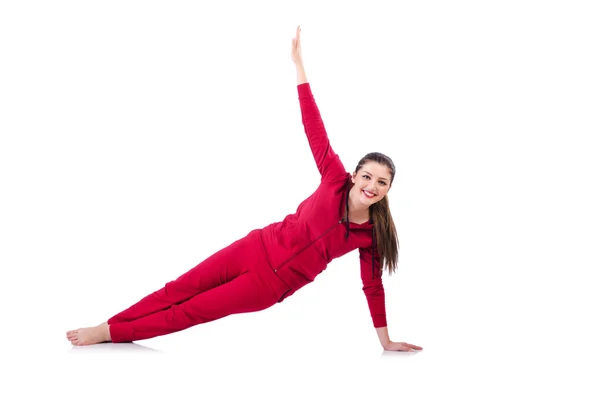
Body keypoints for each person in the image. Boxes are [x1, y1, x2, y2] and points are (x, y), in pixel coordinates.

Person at [66, 26, 422, 352]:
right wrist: (299, 67)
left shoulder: (371, 235)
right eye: (367, 176)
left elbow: (372, 287)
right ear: (356, 175)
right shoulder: (333, 177)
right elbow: (313, 126)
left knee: (190, 312)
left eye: (381, 182)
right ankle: (110, 324)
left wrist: (386, 340)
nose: (371, 186)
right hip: (256, 246)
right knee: (177, 289)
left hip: (269, 285)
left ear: (388, 190)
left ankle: (111, 334)